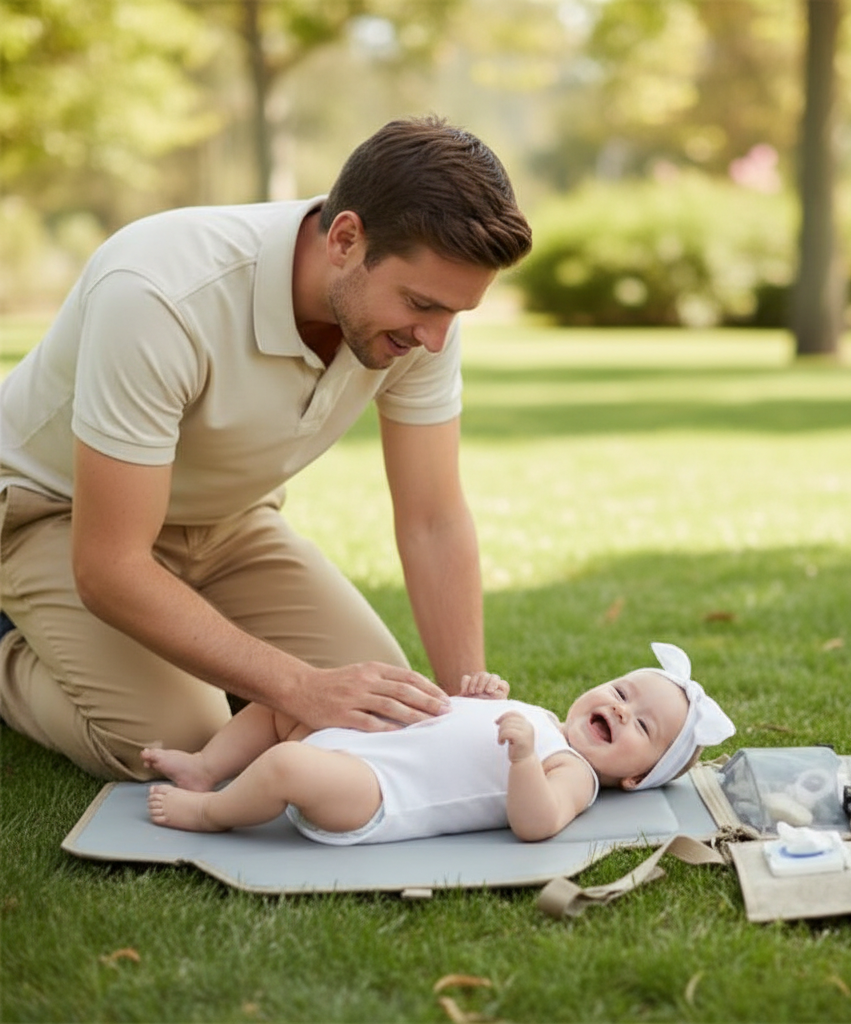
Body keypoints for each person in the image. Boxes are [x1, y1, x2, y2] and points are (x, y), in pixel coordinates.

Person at [0, 116, 533, 782]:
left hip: (229, 523)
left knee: (386, 716)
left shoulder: (421, 325)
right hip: (55, 514)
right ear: (345, 238)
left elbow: (432, 519)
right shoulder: (159, 293)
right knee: (188, 738)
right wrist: (298, 687)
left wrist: (467, 717)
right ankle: (15, 652)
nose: (434, 338)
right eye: (423, 304)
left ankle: (195, 667)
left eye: (455, 313)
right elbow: (109, 565)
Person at [144, 642, 735, 844]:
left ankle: (212, 812)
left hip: (376, 795)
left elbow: (538, 822)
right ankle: (205, 765)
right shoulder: (541, 718)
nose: (618, 709)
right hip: (365, 743)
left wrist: (526, 759)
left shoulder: (572, 771)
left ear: (636, 777)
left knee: (287, 766)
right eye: (620, 691)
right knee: (282, 704)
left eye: (640, 726)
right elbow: (451, 730)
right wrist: (480, 695)